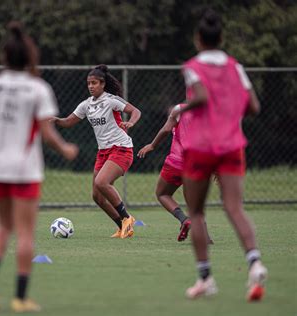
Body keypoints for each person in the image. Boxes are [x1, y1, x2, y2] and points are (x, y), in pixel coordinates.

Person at [0, 22, 78, 312]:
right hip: (26, 169)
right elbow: (48, 133)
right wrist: (65, 148)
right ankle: (20, 298)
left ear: (4, 57)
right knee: (25, 233)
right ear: (29, 57)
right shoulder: (38, 88)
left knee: (3, 226)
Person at [174, 9, 267, 301]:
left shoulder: (191, 66)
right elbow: (253, 106)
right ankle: (254, 262)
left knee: (197, 212)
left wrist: (181, 109)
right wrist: (228, 112)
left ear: (198, 39)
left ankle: (205, 279)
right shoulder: (235, 66)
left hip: (201, 147)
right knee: (234, 208)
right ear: (222, 37)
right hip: (232, 145)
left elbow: (200, 96)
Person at [52, 64, 141, 239]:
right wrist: (56, 120)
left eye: (94, 83)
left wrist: (130, 122)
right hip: (104, 152)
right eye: (89, 83)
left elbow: (135, 111)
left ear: (102, 84)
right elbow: (69, 121)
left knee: (102, 182)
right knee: (97, 197)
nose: (91, 86)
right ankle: (124, 227)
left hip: (121, 148)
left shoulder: (111, 100)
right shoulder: (86, 105)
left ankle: (127, 218)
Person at [138, 103, 213, 243]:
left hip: (176, 162)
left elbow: (166, 129)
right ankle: (205, 236)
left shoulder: (180, 109)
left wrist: (152, 145)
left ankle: (184, 219)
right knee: (195, 203)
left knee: (162, 194)